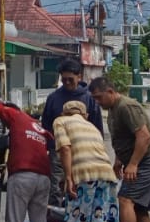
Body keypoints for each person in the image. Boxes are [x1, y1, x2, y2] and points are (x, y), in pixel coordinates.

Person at [89, 78, 150, 222]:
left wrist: (133, 164)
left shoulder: (126, 106)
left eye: (99, 97)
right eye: (94, 99)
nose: (98, 102)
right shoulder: (113, 110)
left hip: (149, 160)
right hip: (143, 160)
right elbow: (125, 139)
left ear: (110, 91)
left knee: (125, 199)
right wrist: (119, 161)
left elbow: (144, 136)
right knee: (140, 208)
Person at [52, 100, 119, 222]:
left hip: (83, 175)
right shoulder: (92, 126)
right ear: (85, 115)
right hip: (105, 174)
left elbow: (66, 149)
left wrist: (67, 177)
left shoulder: (61, 121)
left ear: (64, 112)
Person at [40, 58, 104, 205]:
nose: (67, 83)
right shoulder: (53, 98)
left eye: (70, 79)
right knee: (56, 187)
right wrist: (49, 148)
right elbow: (46, 127)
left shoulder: (89, 98)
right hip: (58, 151)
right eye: (64, 80)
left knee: (82, 185)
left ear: (79, 77)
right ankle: (55, 219)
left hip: (83, 151)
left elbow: (97, 127)